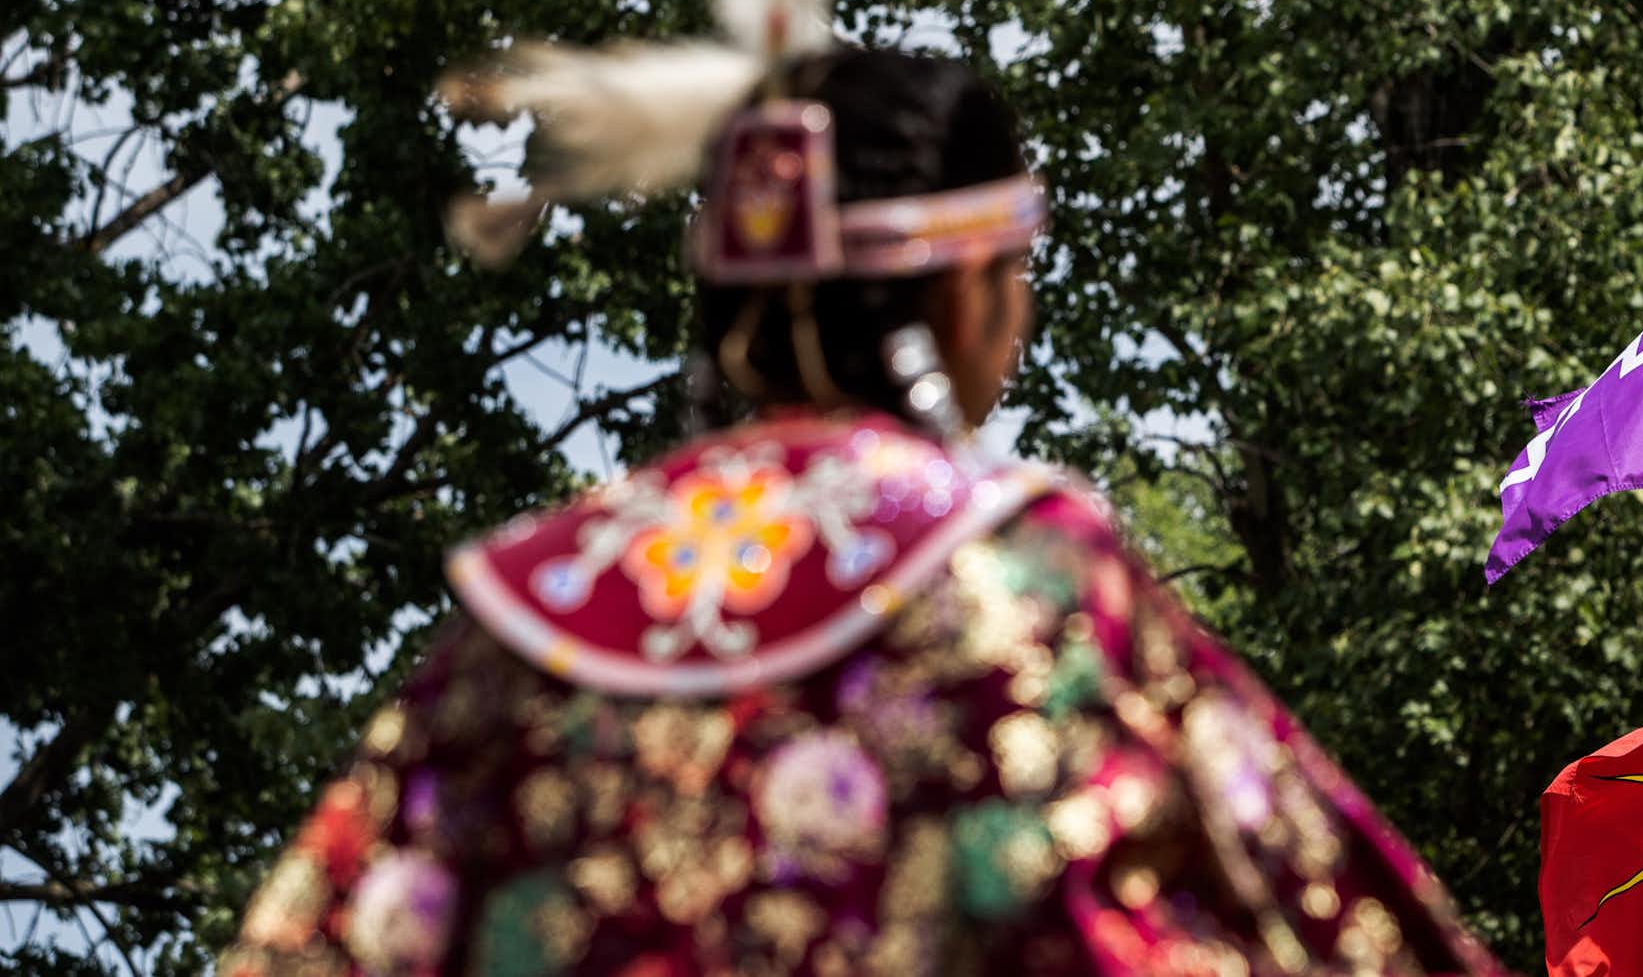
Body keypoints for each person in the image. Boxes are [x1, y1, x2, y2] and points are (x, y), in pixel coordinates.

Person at [218, 50, 1504, 977]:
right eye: (1017, 273)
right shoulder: (1025, 580)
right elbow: (1336, 913)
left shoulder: (520, 624)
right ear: (959, 299)